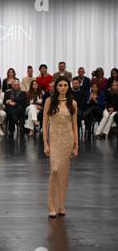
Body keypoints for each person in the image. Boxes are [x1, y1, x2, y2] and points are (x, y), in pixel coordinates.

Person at [42, 76, 78, 218]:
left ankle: (61, 204)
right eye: (60, 85)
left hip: (68, 141)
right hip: (54, 141)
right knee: (55, 170)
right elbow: (44, 124)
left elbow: (75, 125)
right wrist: (45, 143)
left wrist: (76, 146)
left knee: (64, 174)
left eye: (65, 85)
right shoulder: (49, 102)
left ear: (68, 87)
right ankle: (51, 205)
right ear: (55, 87)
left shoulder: (72, 103)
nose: (62, 88)